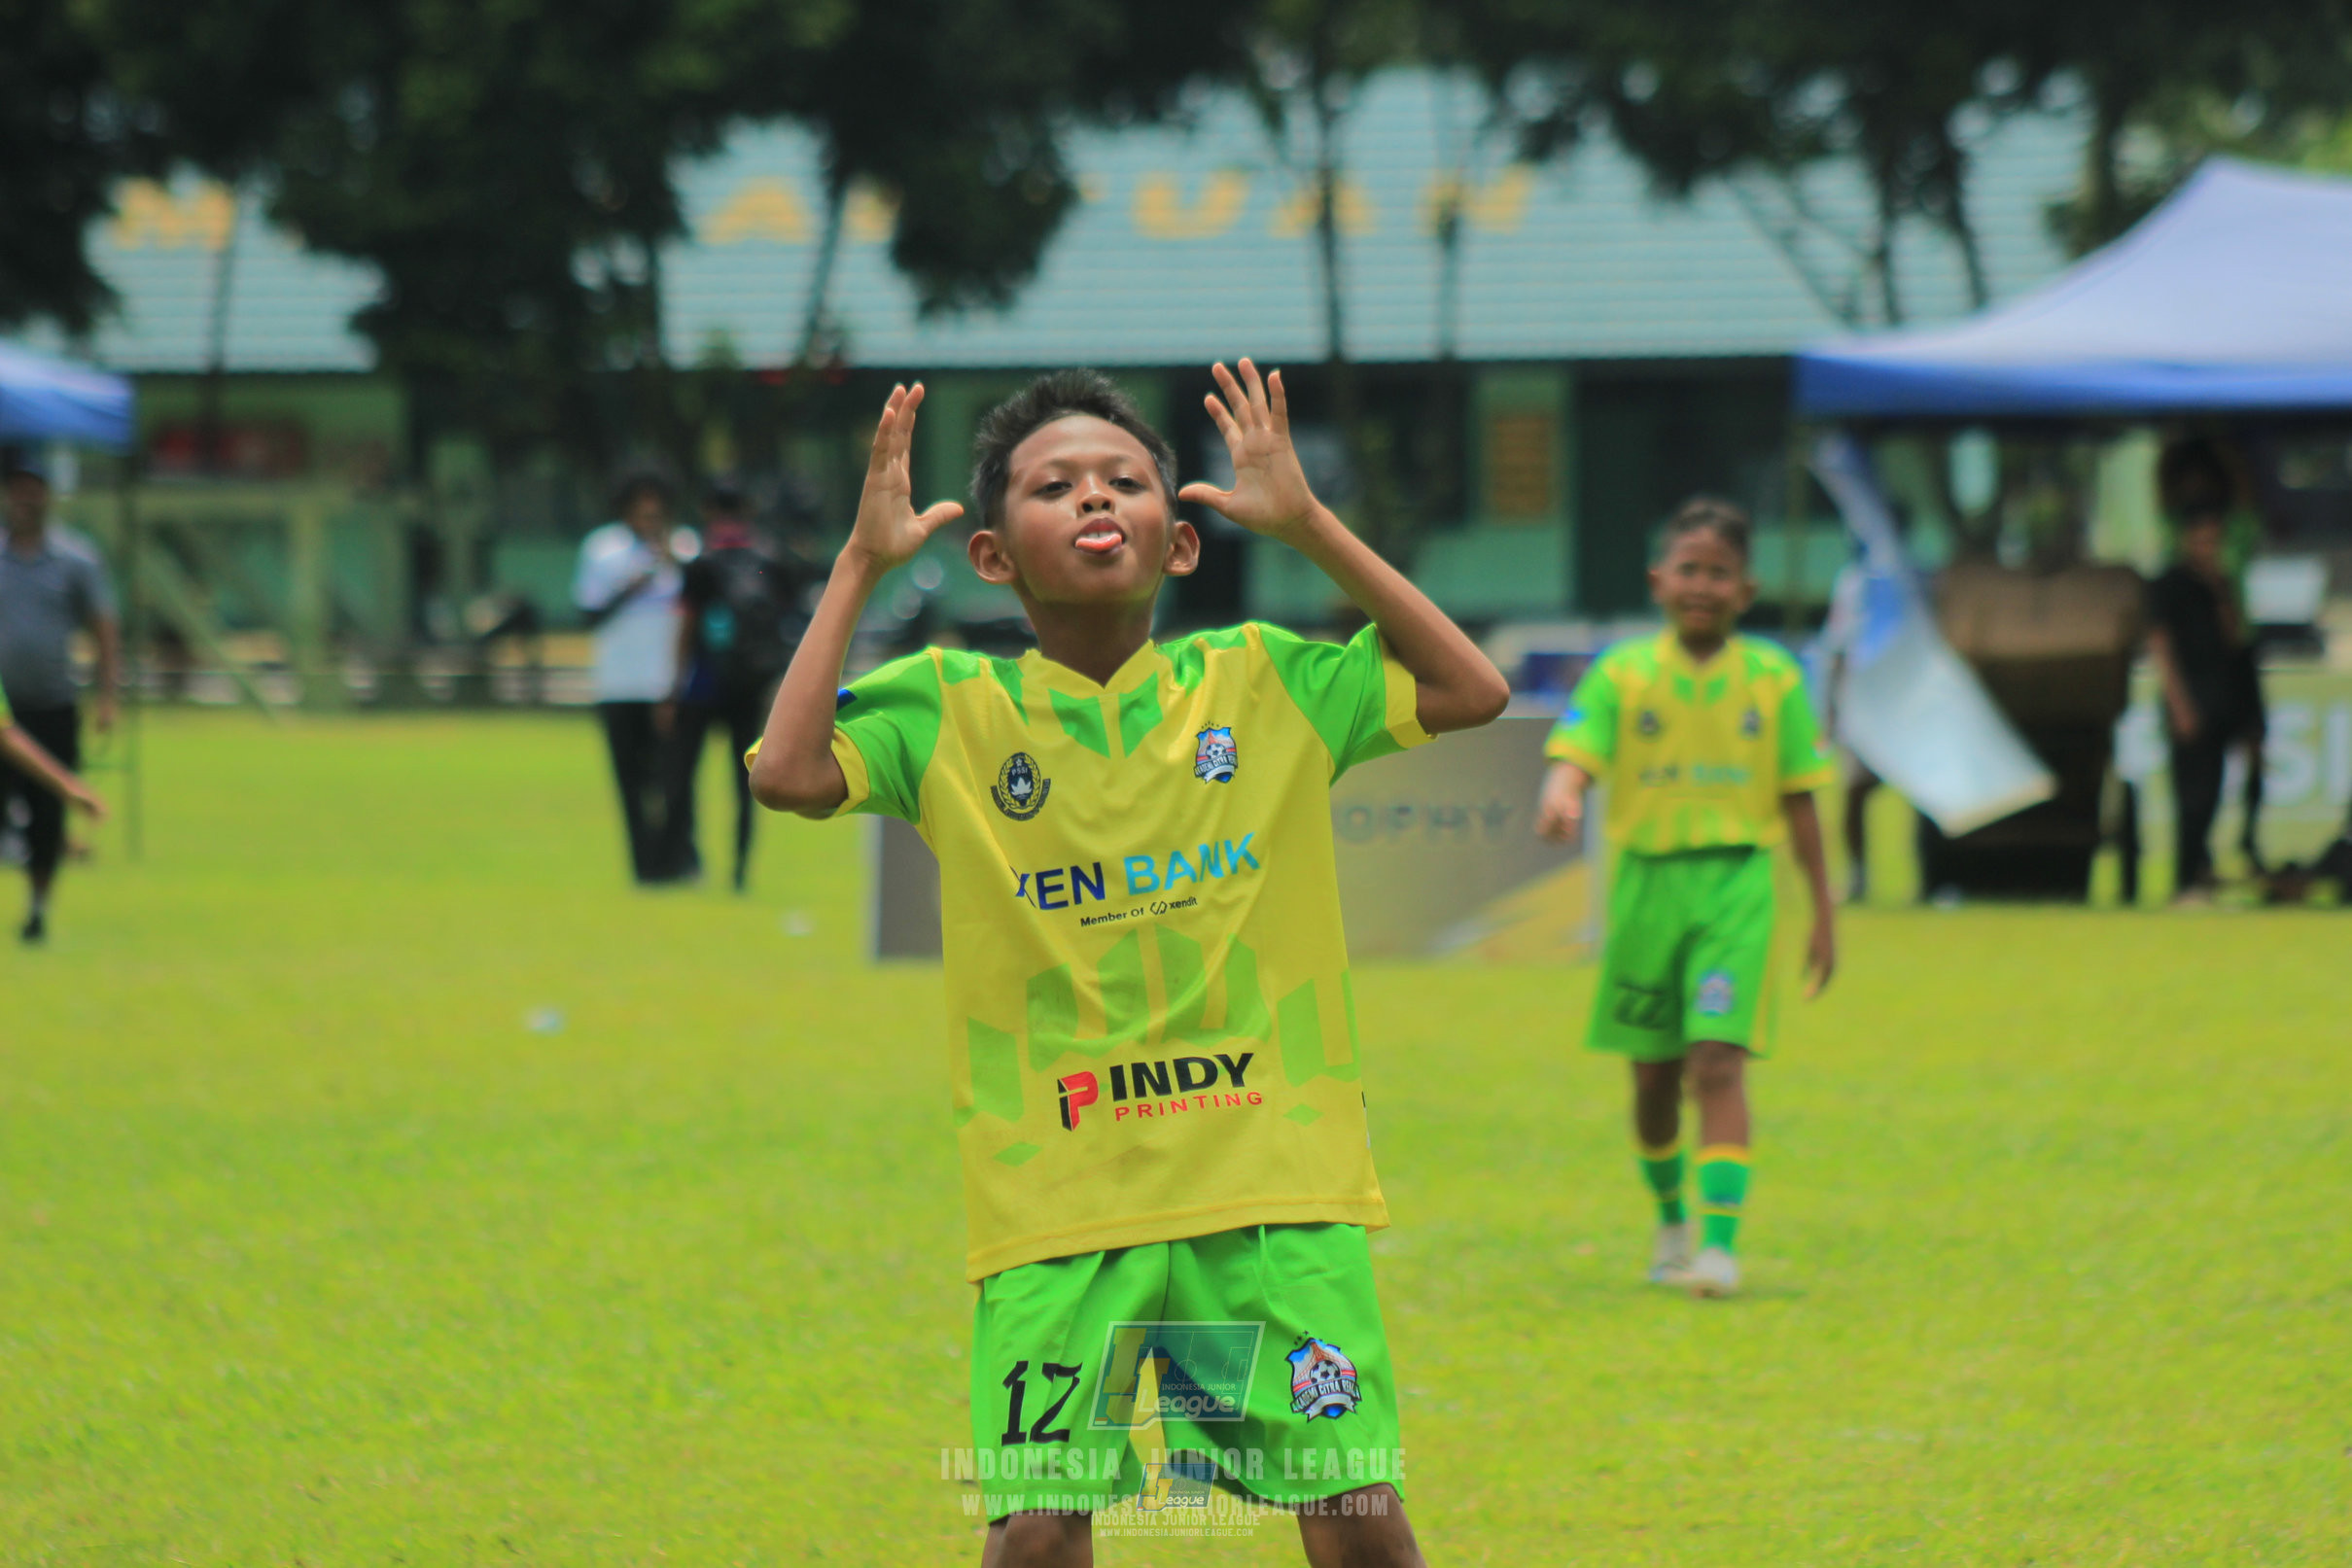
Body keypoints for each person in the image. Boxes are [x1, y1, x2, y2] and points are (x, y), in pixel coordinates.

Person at [749, 364, 1507, 1563]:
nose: (1096, 498)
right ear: (993, 555)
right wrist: (859, 566)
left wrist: (1307, 521)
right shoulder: (948, 709)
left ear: (1180, 540)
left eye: (1126, 479)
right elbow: (786, 772)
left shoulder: (1264, 683)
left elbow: (1471, 688)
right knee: (1038, 1534)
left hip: (1267, 1188)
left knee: (1356, 1516)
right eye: (1054, 486)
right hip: (1057, 1204)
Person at [1535, 499, 1838, 1300]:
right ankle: (1670, 1222)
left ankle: (1719, 1246)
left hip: (1735, 883)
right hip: (1644, 889)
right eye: (1689, 569)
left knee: (1716, 1061)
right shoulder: (1621, 671)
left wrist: (1823, 913)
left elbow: (1801, 797)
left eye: (1720, 573)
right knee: (1652, 1082)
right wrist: (1562, 793)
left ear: (1746, 590)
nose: (1702, 586)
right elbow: (1577, 751)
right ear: (1657, 580)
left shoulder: (1774, 676)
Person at [0, 447, 121, 944]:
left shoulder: (76, 559)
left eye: (35, 488)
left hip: (52, 703)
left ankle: (38, 907)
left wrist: (107, 695)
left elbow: (104, 627)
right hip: (7, 701)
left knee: (46, 817)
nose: (25, 499)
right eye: (17, 488)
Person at [666, 479, 810, 892]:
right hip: (750, 683)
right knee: (745, 779)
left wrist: (673, 687)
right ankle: (740, 869)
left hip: (702, 684)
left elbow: (686, 624)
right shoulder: (768, 559)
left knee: (683, 775)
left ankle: (686, 862)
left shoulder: (701, 564)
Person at [573, 474, 696, 885]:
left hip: (669, 686)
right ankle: (645, 868)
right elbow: (589, 615)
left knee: (675, 782)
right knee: (631, 784)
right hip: (619, 685)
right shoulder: (603, 549)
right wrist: (634, 584)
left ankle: (680, 860)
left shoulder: (685, 548)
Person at [2145, 505, 2264, 904]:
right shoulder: (2169, 585)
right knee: (2195, 793)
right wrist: (2179, 704)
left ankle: (2214, 865)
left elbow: (2235, 638)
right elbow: (2161, 646)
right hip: (2194, 698)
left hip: (2229, 695)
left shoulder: (2222, 584)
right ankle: (2186, 878)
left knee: (2222, 789)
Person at [1820, 546, 1881, 904]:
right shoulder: (1855, 583)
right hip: (1862, 708)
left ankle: (1931, 877)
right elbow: (1837, 648)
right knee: (1854, 792)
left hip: (1907, 709)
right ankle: (1858, 875)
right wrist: (1831, 712)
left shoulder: (1917, 577)